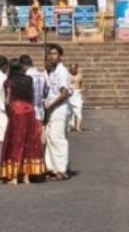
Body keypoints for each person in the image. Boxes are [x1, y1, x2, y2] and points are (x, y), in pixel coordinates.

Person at [0, 61, 45, 184]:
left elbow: (8, 100)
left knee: (16, 143)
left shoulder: (9, 82)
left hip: (17, 112)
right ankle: (26, 176)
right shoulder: (29, 79)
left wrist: (9, 113)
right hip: (29, 111)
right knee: (28, 142)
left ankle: (14, 177)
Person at [44, 44, 73, 180]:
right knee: (51, 138)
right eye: (50, 54)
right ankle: (52, 168)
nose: (51, 56)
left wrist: (50, 105)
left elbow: (64, 93)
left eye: (54, 54)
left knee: (58, 139)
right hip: (53, 109)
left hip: (59, 109)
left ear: (60, 56)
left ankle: (61, 170)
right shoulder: (54, 71)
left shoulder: (61, 71)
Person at [23, 54, 48, 126]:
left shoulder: (27, 76)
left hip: (30, 110)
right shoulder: (42, 74)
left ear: (23, 65)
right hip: (40, 110)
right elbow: (46, 92)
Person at [69, 63, 85, 132]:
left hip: (78, 94)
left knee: (79, 110)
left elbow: (82, 85)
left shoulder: (80, 76)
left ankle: (78, 127)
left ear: (76, 68)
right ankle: (70, 126)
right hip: (70, 94)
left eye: (74, 68)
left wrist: (83, 95)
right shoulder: (67, 75)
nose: (73, 70)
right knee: (69, 111)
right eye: (71, 68)